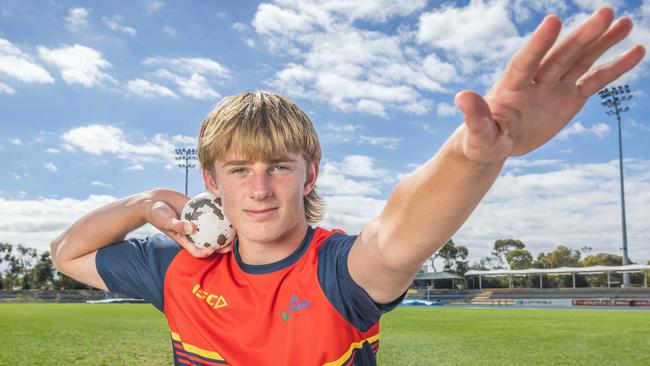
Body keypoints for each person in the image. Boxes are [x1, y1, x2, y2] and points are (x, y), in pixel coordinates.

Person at [50, 7, 644, 366]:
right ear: (211, 181)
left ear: (311, 173)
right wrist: (140, 204)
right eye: (238, 170)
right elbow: (66, 253)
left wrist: (475, 155)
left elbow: (399, 230)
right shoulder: (180, 267)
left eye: (279, 166)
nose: (259, 189)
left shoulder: (342, 271)